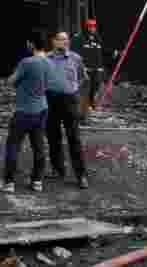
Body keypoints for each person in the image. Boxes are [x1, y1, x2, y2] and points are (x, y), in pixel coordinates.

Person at [0, 34, 52, 193]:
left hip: (24, 110)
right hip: (42, 108)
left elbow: (11, 81)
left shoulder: (27, 62)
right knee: (39, 146)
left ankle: (8, 183)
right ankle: (37, 181)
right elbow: (48, 84)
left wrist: (18, 81)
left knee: (13, 146)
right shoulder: (49, 62)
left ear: (31, 44)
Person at [46, 31, 90, 189]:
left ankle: (81, 175)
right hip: (50, 100)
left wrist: (73, 89)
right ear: (54, 41)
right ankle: (58, 169)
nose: (65, 42)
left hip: (69, 101)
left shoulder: (76, 58)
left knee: (74, 138)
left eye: (66, 39)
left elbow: (83, 77)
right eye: (61, 39)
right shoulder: (46, 58)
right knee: (53, 136)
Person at [73, 18, 111, 111]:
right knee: (85, 86)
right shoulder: (79, 38)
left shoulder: (97, 38)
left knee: (96, 85)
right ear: (86, 27)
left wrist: (115, 53)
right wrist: (79, 66)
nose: (92, 28)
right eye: (90, 26)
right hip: (85, 68)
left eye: (94, 26)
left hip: (96, 68)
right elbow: (75, 53)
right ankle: (84, 104)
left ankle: (91, 102)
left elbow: (103, 50)